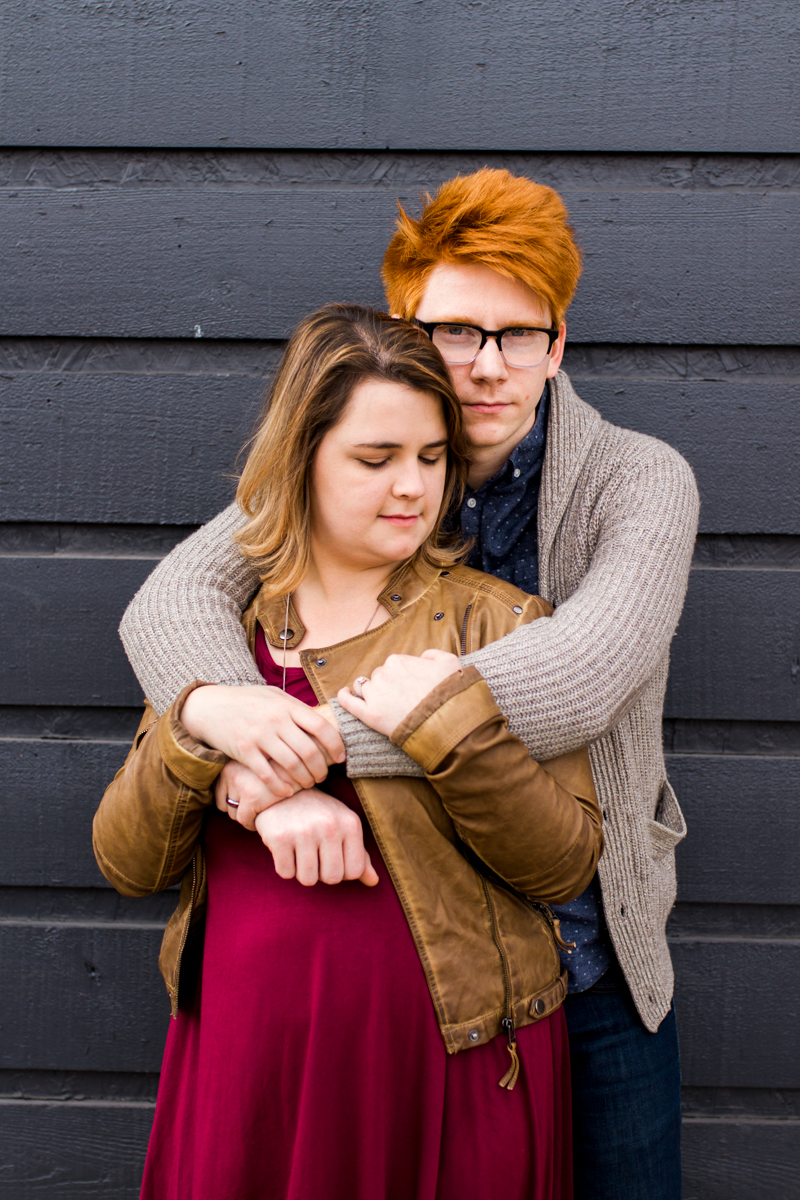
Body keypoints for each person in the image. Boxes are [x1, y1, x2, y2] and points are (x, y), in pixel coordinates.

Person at [119, 169, 699, 1199]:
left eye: (518, 334)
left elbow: (577, 675)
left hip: (587, 947)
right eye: (454, 331)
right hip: (407, 970)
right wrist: (215, 726)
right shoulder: (360, 464)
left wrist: (299, 751)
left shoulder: (637, 479)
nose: (485, 366)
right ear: (401, 325)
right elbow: (170, 604)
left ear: (557, 345)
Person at [96, 305, 603, 1200]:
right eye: (376, 460)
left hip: (449, 1073)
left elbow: (561, 861)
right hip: (247, 1071)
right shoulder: (223, 635)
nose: (412, 487)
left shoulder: (498, 620)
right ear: (302, 459)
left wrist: (446, 728)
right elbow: (128, 859)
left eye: (432, 458)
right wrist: (213, 741)